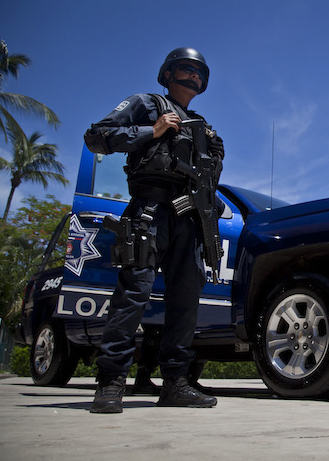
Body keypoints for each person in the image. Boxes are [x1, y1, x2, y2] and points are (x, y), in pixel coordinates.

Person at [83, 47, 224, 413]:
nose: (193, 76)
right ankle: (111, 381)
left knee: (185, 300)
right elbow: (96, 136)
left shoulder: (202, 125)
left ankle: (176, 383)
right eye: (186, 69)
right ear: (168, 73)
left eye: (198, 72)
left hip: (189, 217)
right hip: (149, 210)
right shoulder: (147, 103)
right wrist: (152, 130)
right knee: (134, 294)